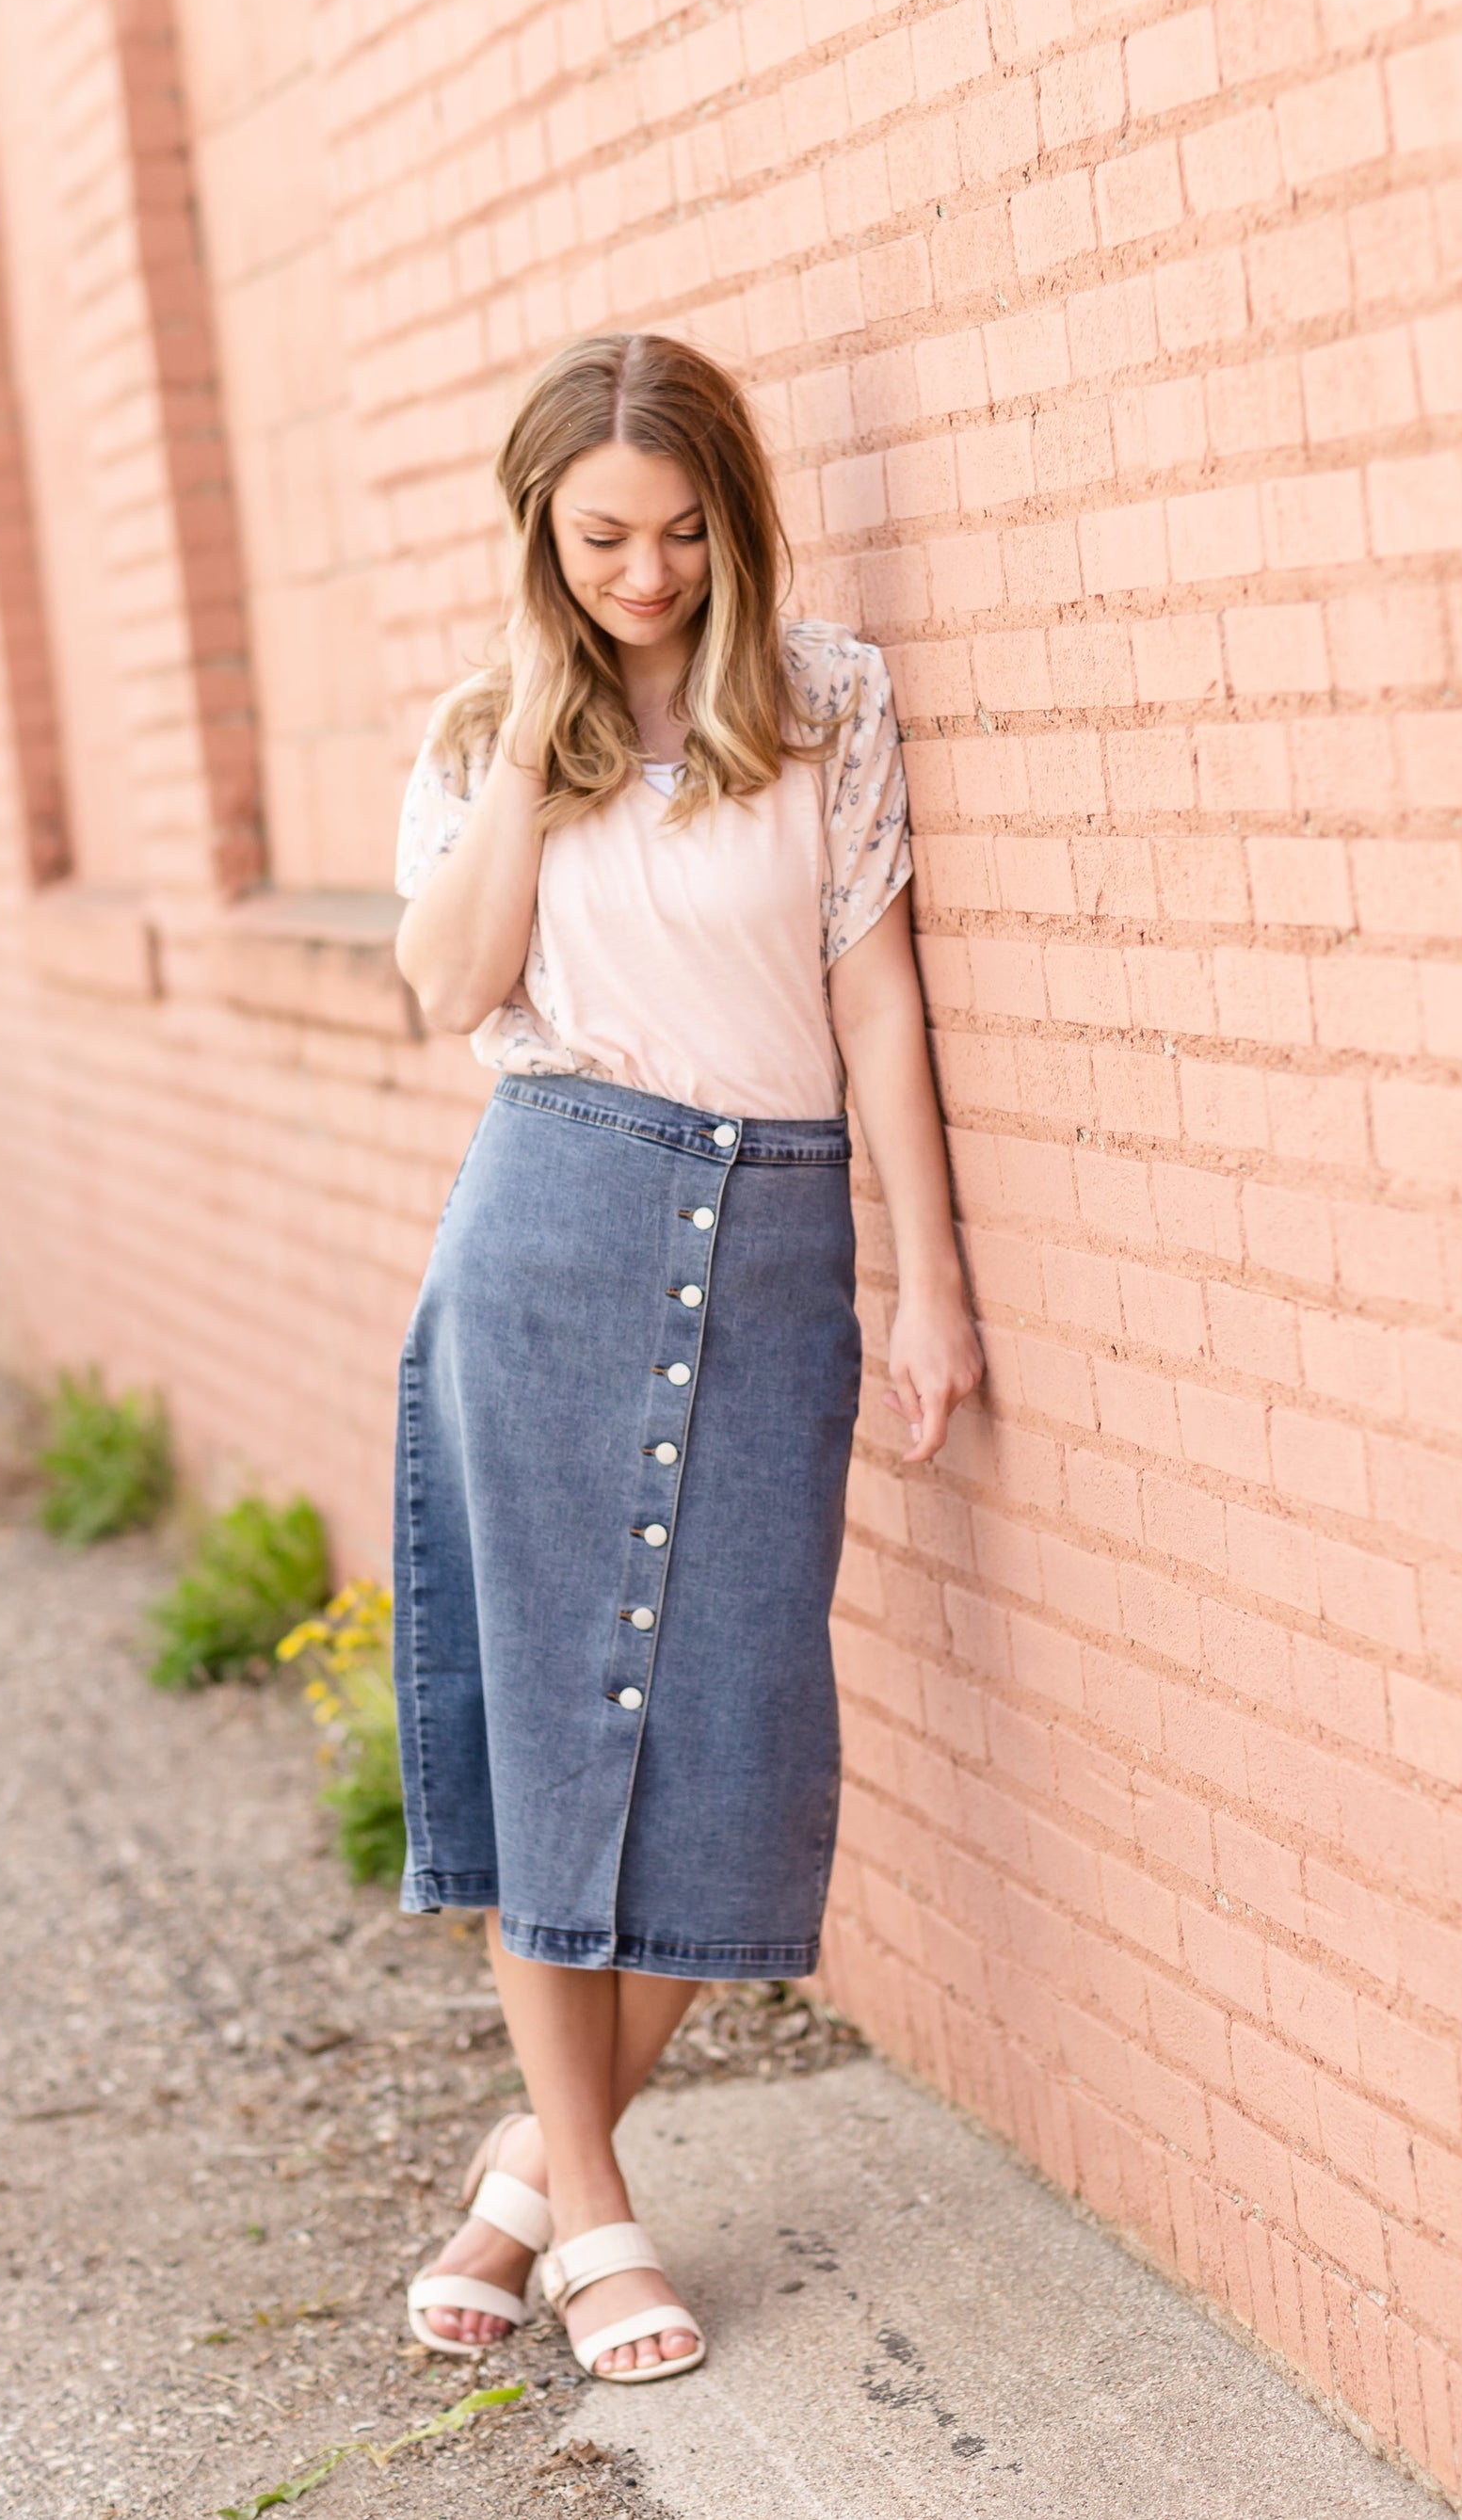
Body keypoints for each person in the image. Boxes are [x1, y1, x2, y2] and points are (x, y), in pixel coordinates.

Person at [389, 329, 982, 2384]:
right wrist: (543, 732)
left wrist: (926, 1278)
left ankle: (527, 2171)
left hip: (786, 1237)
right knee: (554, 1742)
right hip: (551, 1221)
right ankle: (601, 2212)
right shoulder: (487, 729)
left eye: (679, 529)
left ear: (735, 510)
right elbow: (448, 989)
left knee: (734, 1745)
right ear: (542, 541)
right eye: (600, 538)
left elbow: (877, 1000)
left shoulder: (823, 701)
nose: (645, 572)